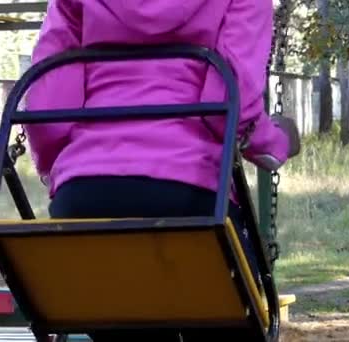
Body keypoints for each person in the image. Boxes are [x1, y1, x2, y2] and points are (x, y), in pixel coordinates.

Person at [23, 0, 300, 341]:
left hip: (85, 198)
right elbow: (228, 107)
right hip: (190, 196)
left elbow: (47, 112)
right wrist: (276, 142)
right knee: (233, 317)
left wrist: (69, 172)